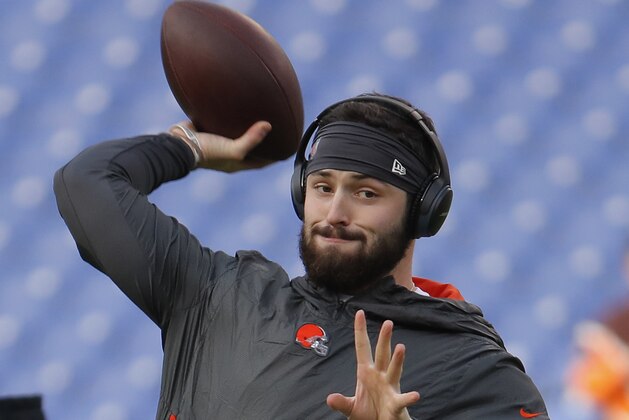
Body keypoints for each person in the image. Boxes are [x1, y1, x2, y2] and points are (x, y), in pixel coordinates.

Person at [53, 93, 548, 419]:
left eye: (367, 193)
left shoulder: (475, 370)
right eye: (322, 186)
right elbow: (86, 184)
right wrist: (189, 147)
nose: (335, 212)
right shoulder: (218, 295)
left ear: (424, 213)